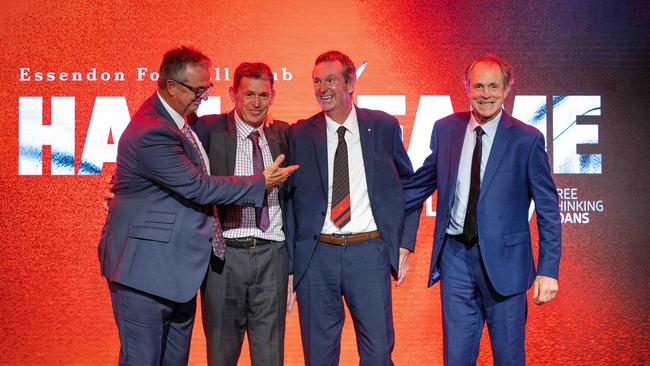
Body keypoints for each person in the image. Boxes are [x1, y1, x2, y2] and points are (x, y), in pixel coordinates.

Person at [98, 46, 297, 365]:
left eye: (207, 87)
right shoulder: (163, 128)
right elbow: (197, 186)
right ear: (172, 86)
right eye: (199, 88)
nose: (204, 95)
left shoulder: (181, 121)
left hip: (182, 272)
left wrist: (120, 183)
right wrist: (261, 182)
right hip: (150, 270)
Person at [403, 54, 562, 365]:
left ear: (506, 90)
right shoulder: (446, 129)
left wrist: (548, 269)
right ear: (466, 88)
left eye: (492, 86)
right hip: (455, 262)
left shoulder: (526, 140)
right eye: (478, 86)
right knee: (457, 358)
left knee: (508, 358)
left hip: (506, 267)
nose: (485, 94)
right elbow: (419, 185)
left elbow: (547, 208)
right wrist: (370, 203)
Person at [285, 50, 420, 366]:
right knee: (319, 357)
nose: (322, 89)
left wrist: (405, 243)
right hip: (316, 258)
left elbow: (410, 187)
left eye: (330, 80)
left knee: (377, 354)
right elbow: (288, 203)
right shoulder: (299, 133)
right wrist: (290, 266)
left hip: (368, 253)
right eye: (316, 81)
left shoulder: (384, 127)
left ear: (351, 82)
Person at [192, 62, 292, 366]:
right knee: (221, 355)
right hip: (224, 261)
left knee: (270, 357)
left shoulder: (284, 134)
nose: (256, 103)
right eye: (249, 94)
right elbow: (163, 148)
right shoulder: (208, 129)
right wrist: (119, 184)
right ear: (233, 93)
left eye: (263, 95)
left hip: (271, 256)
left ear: (273, 96)